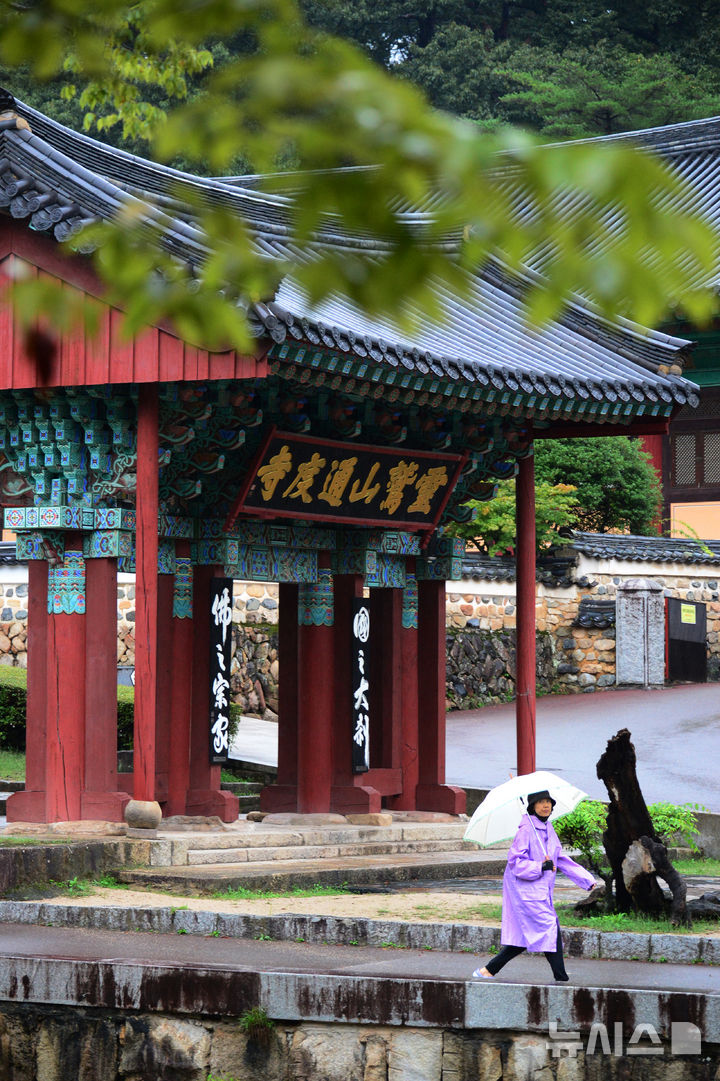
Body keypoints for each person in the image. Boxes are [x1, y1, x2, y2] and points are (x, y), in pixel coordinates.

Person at [473, 789, 599, 981]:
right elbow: (515, 862)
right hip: (526, 891)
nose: (545, 805)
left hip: (540, 891)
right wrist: (540, 866)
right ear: (533, 806)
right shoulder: (526, 830)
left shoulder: (548, 828)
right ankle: (561, 977)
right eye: (540, 802)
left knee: (529, 934)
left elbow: (560, 859)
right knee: (549, 928)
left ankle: (488, 970)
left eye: (548, 801)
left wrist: (585, 879)